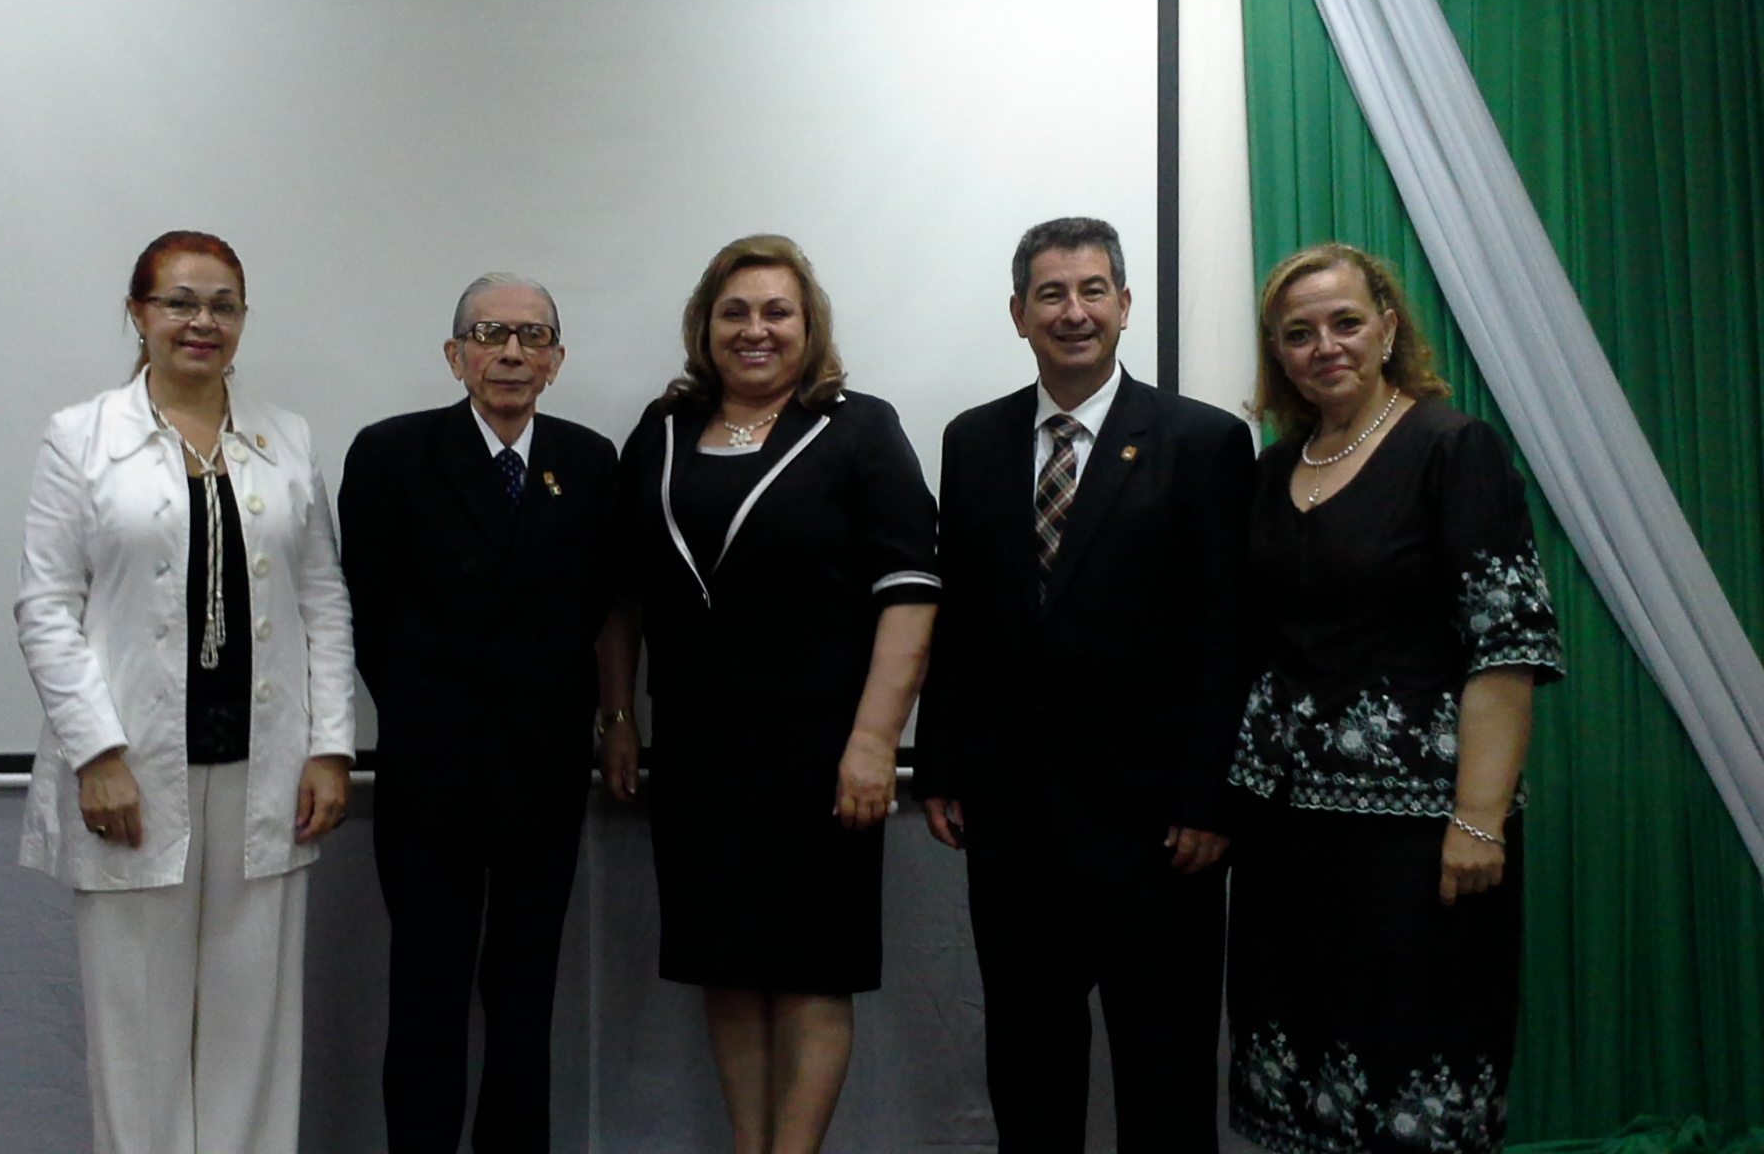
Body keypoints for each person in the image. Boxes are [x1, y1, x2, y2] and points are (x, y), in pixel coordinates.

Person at [914, 216, 1257, 1152]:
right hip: (1014, 820)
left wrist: (1210, 798)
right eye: (1053, 294)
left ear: (1126, 305)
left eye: (1093, 290)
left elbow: (1230, 633)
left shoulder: (1205, 442)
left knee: (1166, 1070)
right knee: (1028, 1068)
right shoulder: (973, 440)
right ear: (1019, 313)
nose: (1075, 312)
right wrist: (940, 762)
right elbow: (966, 616)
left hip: (1160, 829)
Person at [15, 230, 356, 1154]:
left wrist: (330, 745)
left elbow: (322, 595)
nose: (202, 323)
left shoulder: (286, 437)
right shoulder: (80, 435)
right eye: (180, 302)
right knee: (137, 1034)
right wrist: (98, 754)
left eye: (223, 305)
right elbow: (45, 605)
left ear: (243, 321)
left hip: (266, 773)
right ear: (138, 312)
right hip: (132, 778)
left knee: (254, 1032)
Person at [603, 234, 938, 1154]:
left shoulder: (860, 428)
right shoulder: (662, 432)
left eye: (776, 312)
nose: (755, 330)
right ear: (706, 327)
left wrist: (875, 742)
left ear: (808, 325)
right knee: (729, 973)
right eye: (735, 312)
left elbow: (909, 596)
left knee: (808, 977)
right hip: (703, 756)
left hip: (820, 756)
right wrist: (621, 715)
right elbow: (622, 594)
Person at [1224, 242, 1561, 1153]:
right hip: (1286, 842)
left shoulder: (1454, 449)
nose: (1324, 346)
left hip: (1416, 848)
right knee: (1303, 1088)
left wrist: (1479, 821)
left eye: (1344, 323)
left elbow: (1509, 649)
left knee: (1414, 1076)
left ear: (1386, 326)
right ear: (1278, 352)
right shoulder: (1271, 469)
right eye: (1298, 334)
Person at [338, 274, 624, 1154]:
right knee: (425, 992)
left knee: (525, 995)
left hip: (542, 772)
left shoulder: (587, 460)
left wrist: (609, 720)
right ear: (455, 354)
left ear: (558, 359)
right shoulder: (391, 454)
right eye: (491, 334)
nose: (511, 352)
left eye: (532, 337)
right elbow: (370, 616)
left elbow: (599, 604)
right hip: (432, 772)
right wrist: (437, 718)